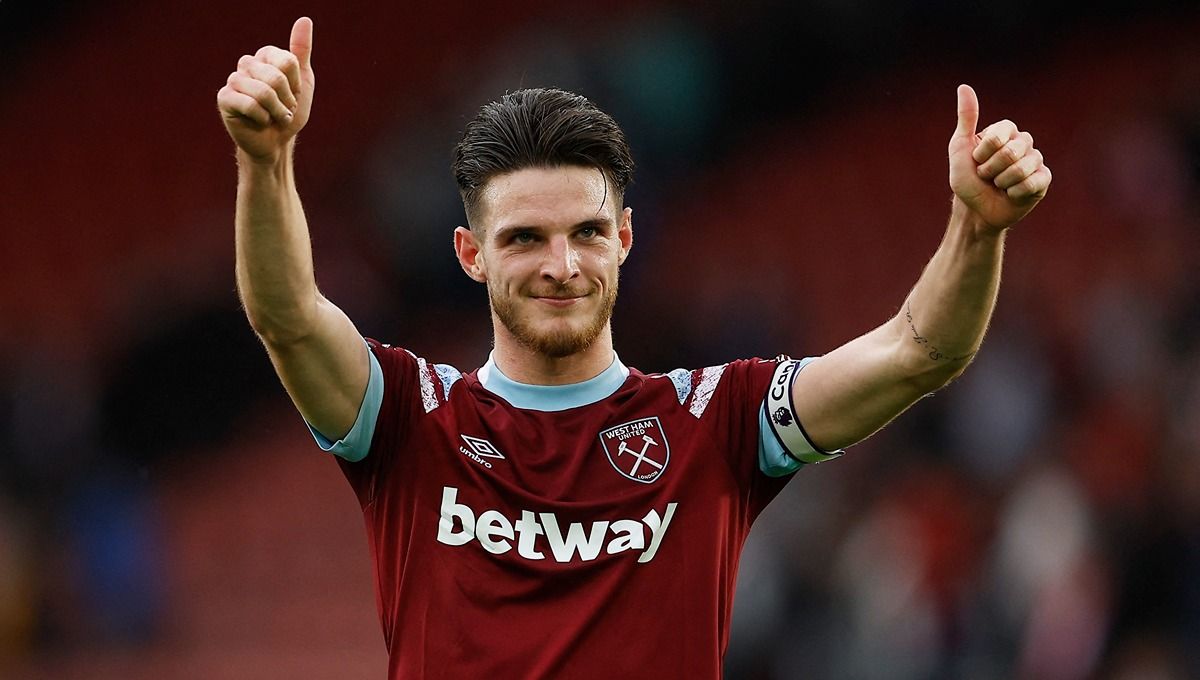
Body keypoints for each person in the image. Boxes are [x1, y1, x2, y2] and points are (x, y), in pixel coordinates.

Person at [216, 16, 1050, 680]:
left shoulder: (719, 420)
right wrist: (267, 159)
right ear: (471, 254)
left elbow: (920, 350)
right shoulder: (408, 416)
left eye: (585, 232)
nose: (561, 265)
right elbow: (288, 315)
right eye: (525, 239)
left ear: (623, 239)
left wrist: (977, 228)